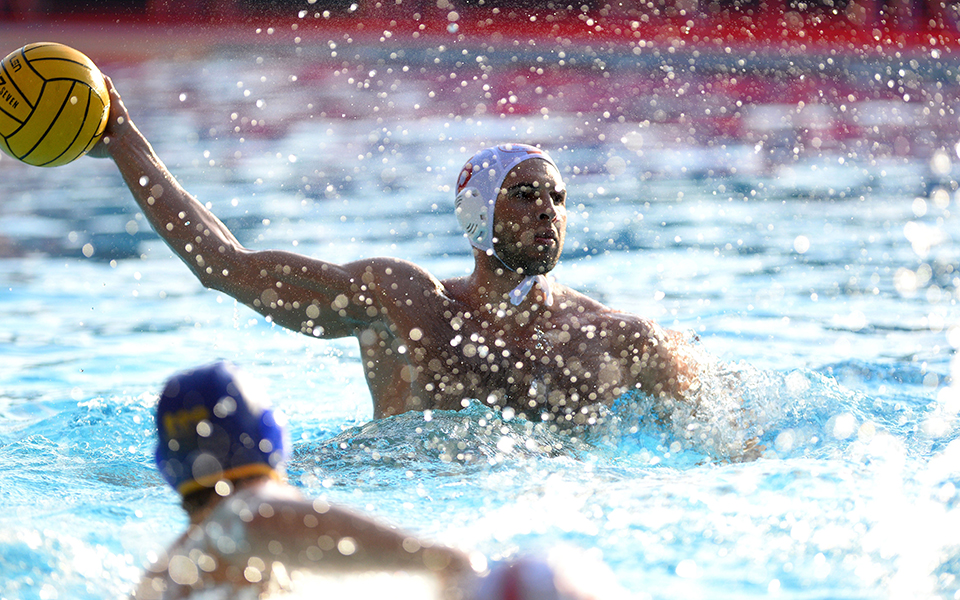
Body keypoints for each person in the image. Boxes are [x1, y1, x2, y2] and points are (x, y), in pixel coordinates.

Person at [91, 77, 699, 424]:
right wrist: (123, 142)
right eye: (524, 195)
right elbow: (224, 266)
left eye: (557, 197)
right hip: (399, 506)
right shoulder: (403, 303)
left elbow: (726, 443)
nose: (548, 209)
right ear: (480, 215)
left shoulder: (620, 340)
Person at [135, 360, 477, 599]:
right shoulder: (233, 517)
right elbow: (254, 516)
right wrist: (434, 558)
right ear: (271, 434)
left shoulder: (167, 571)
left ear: (167, 464)